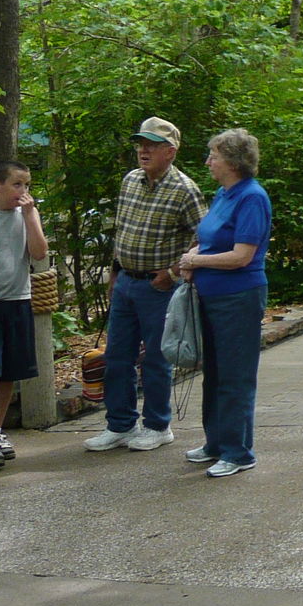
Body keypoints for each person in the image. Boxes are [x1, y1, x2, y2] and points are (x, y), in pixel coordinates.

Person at [84, 116, 206, 454]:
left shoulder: (185, 189)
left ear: (171, 151)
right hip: (126, 281)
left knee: (155, 359)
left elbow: (205, 238)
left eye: (152, 145)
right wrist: (114, 273)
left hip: (159, 288)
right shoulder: (130, 180)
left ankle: (157, 426)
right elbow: (122, 230)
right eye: (141, 144)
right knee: (117, 357)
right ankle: (120, 425)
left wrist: (172, 273)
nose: (143, 150)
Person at [175, 128, 272, 478]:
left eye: (213, 156)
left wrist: (196, 261)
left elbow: (241, 256)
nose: (208, 162)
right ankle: (216, 442)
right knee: (214, 373)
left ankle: (238, 452)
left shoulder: (252, 198)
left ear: (232, 161)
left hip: (238, 298)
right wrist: (194, 256)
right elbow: (212, 240)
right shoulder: (223, 193)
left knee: (235, 375)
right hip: (210, 296)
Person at [0, 160, 48, 470]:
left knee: (10, 372)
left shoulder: (28, 215)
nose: (23, 191)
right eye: (17, 184)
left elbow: (39, 253)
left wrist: (29, 216)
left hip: (18, 300)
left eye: (27, 185)